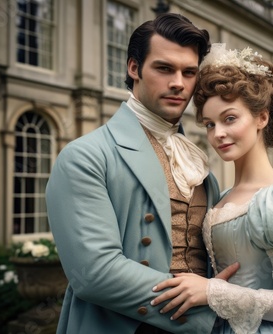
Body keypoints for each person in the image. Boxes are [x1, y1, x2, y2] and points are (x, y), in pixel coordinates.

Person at [46, 15, 238, 334]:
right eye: (164, 68)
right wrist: (212, 317)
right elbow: (95, 274)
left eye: (189, 72)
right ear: (133, 68)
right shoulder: (85, 156)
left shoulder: (198, 163)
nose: (179, 82)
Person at [150, 43, 273, 333]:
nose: (218, 133)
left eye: (230, 118)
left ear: (262, 117)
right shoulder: (220, 195)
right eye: (209, 124)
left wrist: (213, 293)